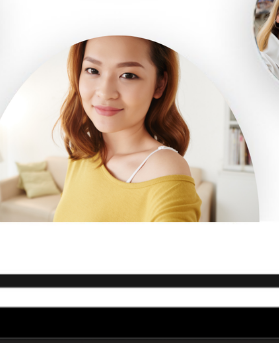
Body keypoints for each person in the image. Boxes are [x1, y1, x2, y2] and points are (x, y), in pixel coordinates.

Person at [53, 36, 200, 222]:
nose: (105, 92)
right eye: (93, 70)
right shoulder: (82, 153)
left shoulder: (165, 168)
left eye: (128, 75)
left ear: (159, 84)